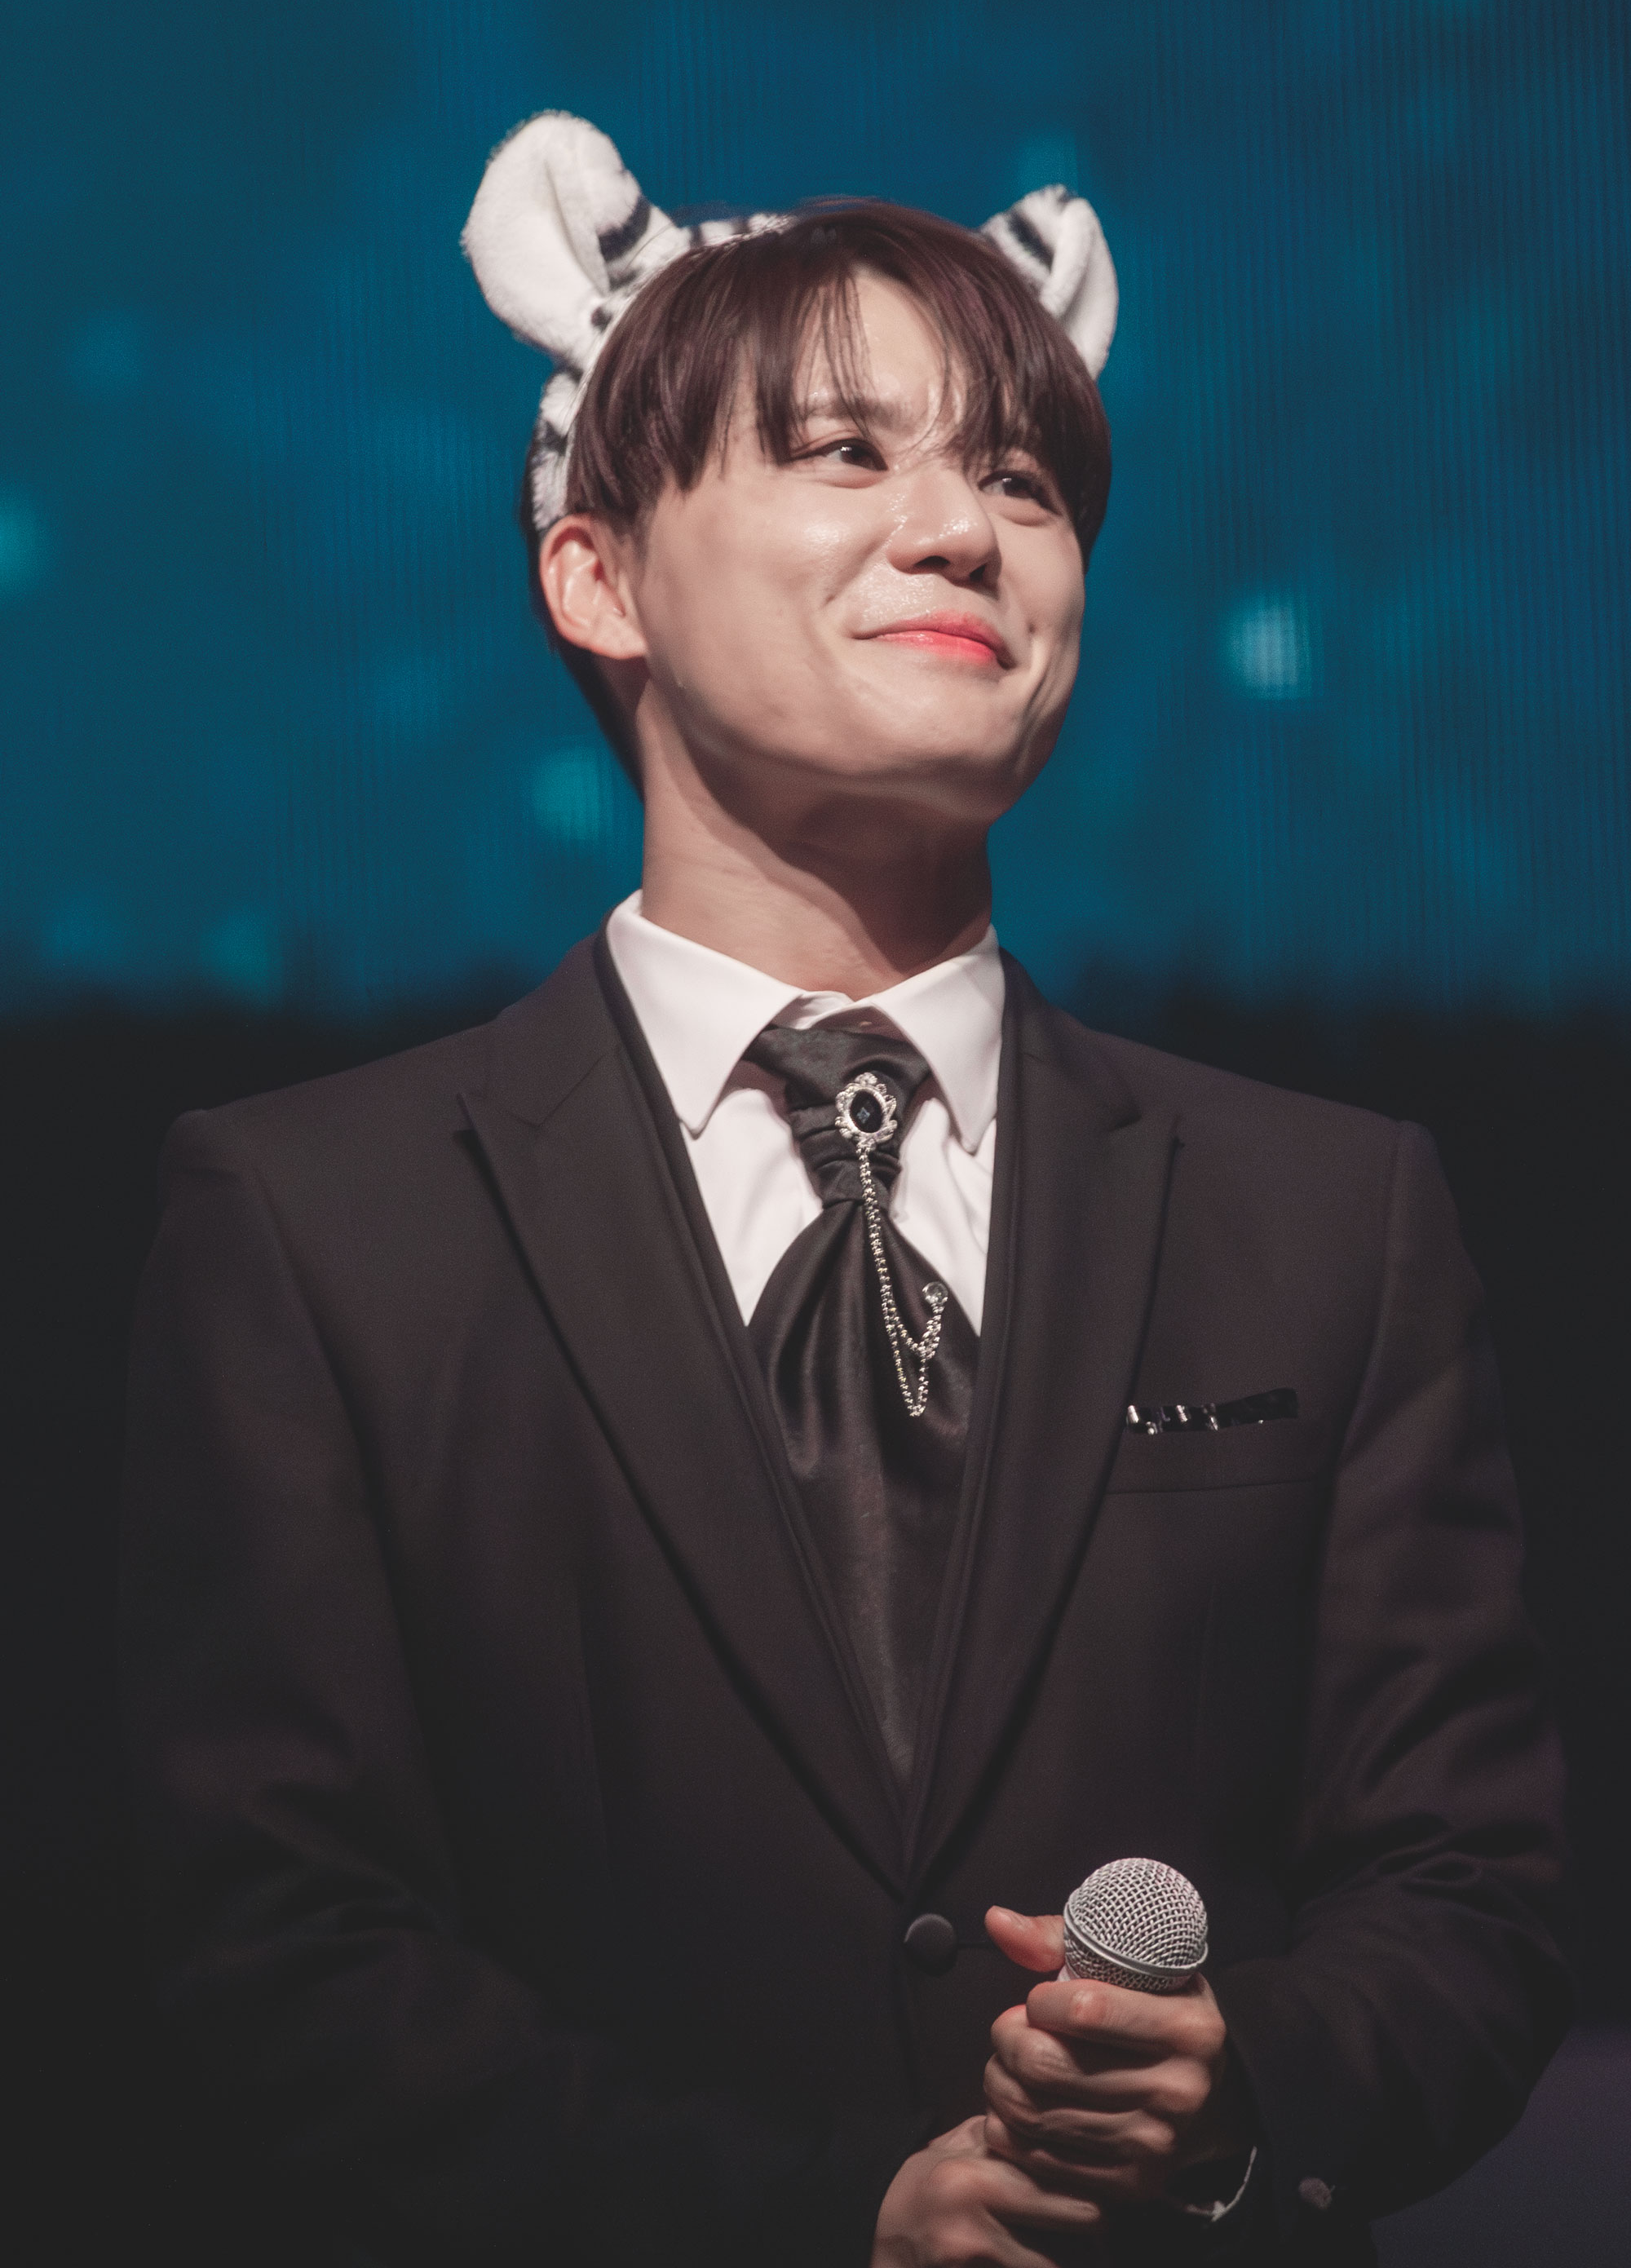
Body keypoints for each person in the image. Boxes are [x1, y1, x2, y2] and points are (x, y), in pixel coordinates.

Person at [120, 116, 1569, 2268]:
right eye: (842, 452)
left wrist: (1241, 2082)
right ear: (598, 575)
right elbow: (271, 1945)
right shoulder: (320, 1224)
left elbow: (1469, 1891)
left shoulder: (1327, 1217)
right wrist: (819, 2219)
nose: (965, 531)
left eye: (1025, 479)